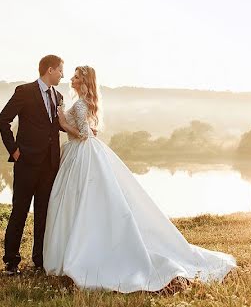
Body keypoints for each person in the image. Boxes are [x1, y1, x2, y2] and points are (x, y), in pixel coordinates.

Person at [43, 65, 236, 292]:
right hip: (79, 153)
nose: (71, 79)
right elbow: (91, 131)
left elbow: (85, 134)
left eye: (76, 76)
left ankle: (79, 251)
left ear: (83, 80)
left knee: (81, 201)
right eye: (72, 75)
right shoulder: (86, 101)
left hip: (82, 153)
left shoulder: (81, 103)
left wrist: (63, 123)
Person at [0, 54, 65, 275]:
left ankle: (40, 259)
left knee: (44, 213)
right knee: (20, 211)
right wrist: (14, 150)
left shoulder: (59, 95)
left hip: (50, 165)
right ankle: (11, 261)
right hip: (26, 163)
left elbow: (57, 126)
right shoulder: (24, 92)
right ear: (50, 70)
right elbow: (3, 119)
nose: (62, 74)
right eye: (61, 70)